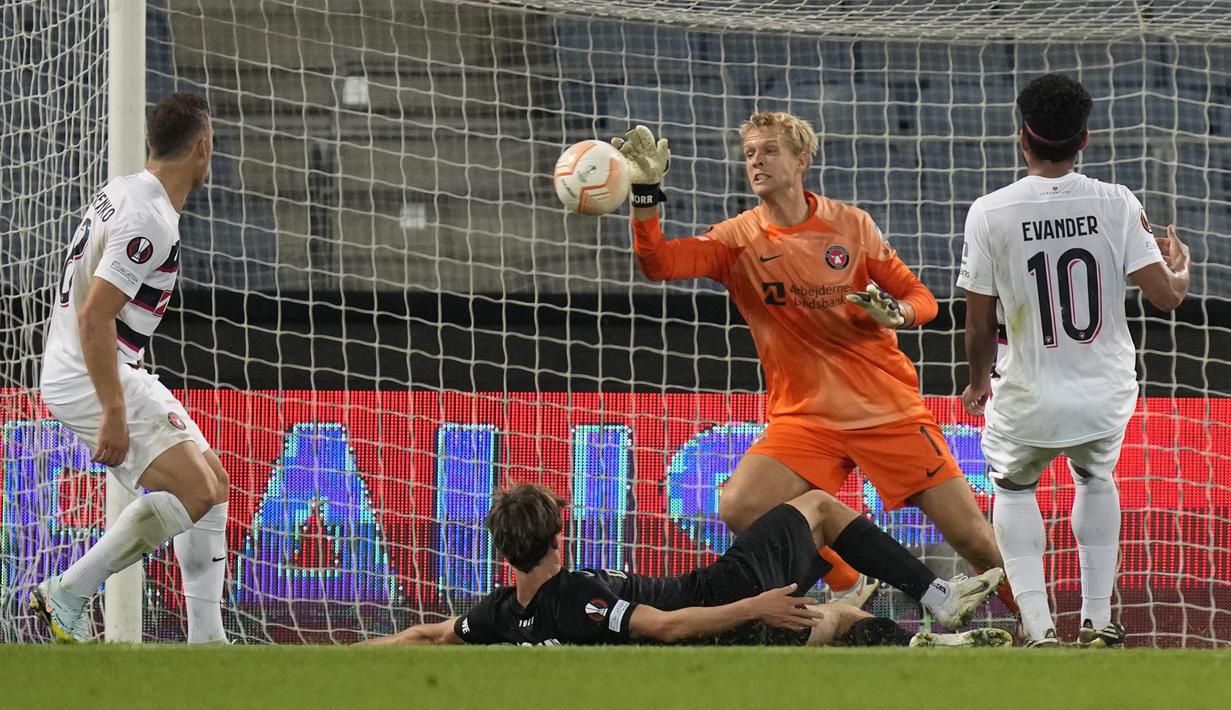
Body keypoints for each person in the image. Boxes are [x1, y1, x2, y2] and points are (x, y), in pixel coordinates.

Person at [612, 113, 1014, 612]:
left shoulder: (851, 224)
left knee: (974, 539)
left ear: (801, 160)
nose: (756, 161)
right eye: (750, 153)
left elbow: (921, 297)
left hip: (885, 408)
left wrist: (899, 312)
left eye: (769, 150)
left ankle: (1039, 627)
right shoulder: (737, 239)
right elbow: (659, 264)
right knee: (741, 505)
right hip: (806, 418)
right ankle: (848, 582)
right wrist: (646, 194)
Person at [957, 74, 1190, 648]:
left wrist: (976, 381)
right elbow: (1166, 297)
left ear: (1022, 139)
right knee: (1095, 476)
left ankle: (1038, 628)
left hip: (1029, 394)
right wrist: (1181, 266)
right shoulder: (1115, 201)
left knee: (1013, 489)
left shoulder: (989, 211)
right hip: (1102, 396)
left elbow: (979, 323)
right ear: (1084, 139)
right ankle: (1097, 618)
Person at [33, 92, 230, 643]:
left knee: (213, 485)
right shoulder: (150, 219)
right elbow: (96, 315)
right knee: (195, 491)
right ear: (202, 148)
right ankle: (68, 592)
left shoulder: (124, 190)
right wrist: (114, 412)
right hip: (91, 374)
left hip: (98, 365)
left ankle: (208, 643)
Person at [364, 483, 1008, 647]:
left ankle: (935, 646)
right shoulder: (581, 595)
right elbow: (667, 625)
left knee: (834, 622)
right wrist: (755, 603)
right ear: (560, 534)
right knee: (815, 507)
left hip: (719, 619)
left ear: (503, 553)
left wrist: (361, 649)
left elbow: (431, 633)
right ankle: (935, 595)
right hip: (720, 594)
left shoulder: (503, 614)